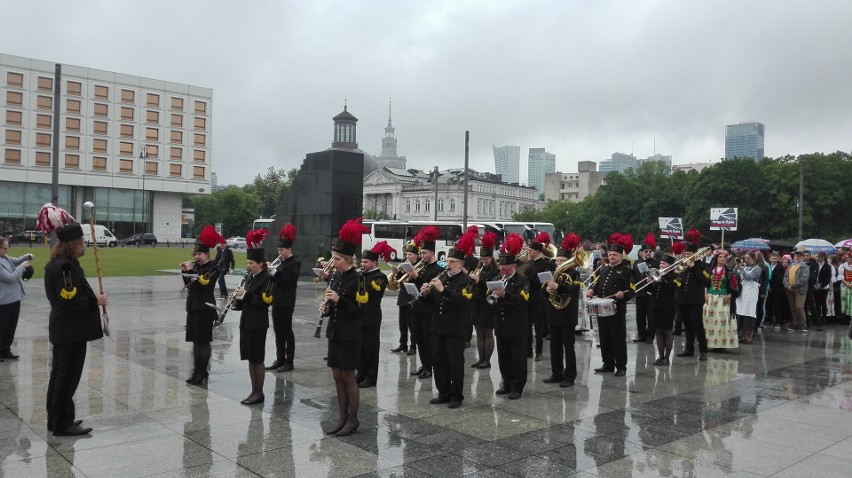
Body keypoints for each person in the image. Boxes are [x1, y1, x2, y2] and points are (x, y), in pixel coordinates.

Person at [40, 206, 107, 436]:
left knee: (61, 375)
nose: (84, 245)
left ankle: (57, 418)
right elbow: (69, 300)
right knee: (66, 376)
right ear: (72, 244)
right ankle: (61, 423)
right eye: (81, 241)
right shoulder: (64, 268)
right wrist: (96, 301)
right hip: (70, 330)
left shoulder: (63, 264)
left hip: (68, 330)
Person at [322, 218, 368, 436]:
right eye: (333, 258)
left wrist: (339, 300)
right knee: (336, 375)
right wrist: (327, 308)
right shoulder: (336, 277)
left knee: (348, 377)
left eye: (337, 259)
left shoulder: (359, 280)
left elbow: (360, 310)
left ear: (348, 259)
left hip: (350, 334)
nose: (334, 262)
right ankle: (341, 416)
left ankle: (353, 419)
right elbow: (333, 305)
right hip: (335, 331)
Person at [423, 237, 472, 408]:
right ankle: (443, 392)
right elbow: (433, 302)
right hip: (437, 327)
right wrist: (425, 294)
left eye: (452, 262)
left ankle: (456, 395)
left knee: (455, 363)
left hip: (455, 329)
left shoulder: (467, 281)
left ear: (460, 264)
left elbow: (461, 302)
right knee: (438, 361)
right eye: (447, 261)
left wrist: (442, 290)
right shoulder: (443, 277)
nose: (448, 264)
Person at [233, 230, 274, 405]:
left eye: (251, 263)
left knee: (257, 359)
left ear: (261, 264)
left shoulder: (268, 279)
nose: (248, 266)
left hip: (258, 323)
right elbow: (245, 301)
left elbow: (264, 303)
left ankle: (259, 392)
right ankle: (253, 390)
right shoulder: (249, 277)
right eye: (248, 262)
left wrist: (246, 294)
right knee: (250, 358)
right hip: (247, 321)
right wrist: (236, 301)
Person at [180, 225, 224, 385]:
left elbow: (203, 284)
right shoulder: (197, 267)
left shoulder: (212, 268)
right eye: (195, 254)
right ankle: (196, 371)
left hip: (205, 308)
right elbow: (190, 285)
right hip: (193, 306)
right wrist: (185, 272)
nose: (197, 256)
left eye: (199, 254)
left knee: (203, 341)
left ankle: (203, 371)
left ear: (207, 254)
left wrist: (191, 271)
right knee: (195, 341)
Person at [586, 233, 634, 376]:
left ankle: (621, 366)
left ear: (621, 256)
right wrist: (592, 290)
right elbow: (598, 284)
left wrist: (623, 295)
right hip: (601, 308)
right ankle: (607, 363)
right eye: (610, 254)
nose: (612, 257)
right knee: (604, 337)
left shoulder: (626, 271)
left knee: (618, 339)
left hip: (616, 309)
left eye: (614, 255)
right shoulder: (604, 268)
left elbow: (632, 290)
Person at [492, 233, 530, 400]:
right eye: (501, 267)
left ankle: (517, 387)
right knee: (504, 357)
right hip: (501, 325)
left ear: (513, 266)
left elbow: (521, 301)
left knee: (518, 359)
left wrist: (504, 295)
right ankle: (506, 383)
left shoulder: (523, 281)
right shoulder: (497, 279)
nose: (502, 270)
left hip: (517, 326)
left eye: (506, 268)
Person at [542, 233, 582, 387]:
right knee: (554, 346)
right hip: (554, 314)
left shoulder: (574, 273)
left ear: (569, 262)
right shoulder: (551, 274)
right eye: (557, 261)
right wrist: (548, 290)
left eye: (562, 261)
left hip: (567, 315)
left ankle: (569, 376)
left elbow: (574, 291)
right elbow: (542, 294)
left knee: (568, 346)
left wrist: (558, 287)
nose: (559, 263)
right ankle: (556, 373)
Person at [408, 226, 442, 380]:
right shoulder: (420, 267)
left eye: (424, 253)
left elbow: (429, 289)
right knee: (418, 338)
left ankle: (430, 367)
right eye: (420, 253)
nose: (421, 256)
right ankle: (424, 364)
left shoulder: (437, 269)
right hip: (416, 307)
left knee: (428, 340)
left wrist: (416, 278)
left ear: (432, 253)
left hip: (428, 310)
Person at [356, 241, 392, 388]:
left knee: (371, 348)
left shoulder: (380, 277)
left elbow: (371, 292)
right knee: (360, 347)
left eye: (365, 262)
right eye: (362, 261)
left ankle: (371, 377)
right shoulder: (361, 275)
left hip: (371, 316)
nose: (362, 264)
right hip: (359, 315)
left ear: (374, 262)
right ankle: (361, 373)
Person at [266, 224, 300, 373]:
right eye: (278, 250)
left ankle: (289, 361)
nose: (279, 253)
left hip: (287, 301)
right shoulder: (280, 263)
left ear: (288, 250)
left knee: (287, 331)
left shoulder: (295, 263)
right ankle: (279, 359)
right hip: (276, 300)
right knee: (278, 331)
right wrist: (269, 272)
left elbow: (289, 281)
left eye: (281, 250)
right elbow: (274, 281)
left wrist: (274, 272)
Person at [469, 231, 500, 369]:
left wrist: (479, 281)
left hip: (488, 305)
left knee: (487, 333)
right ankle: (480, 359)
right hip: (476, 304)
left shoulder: (495, 270)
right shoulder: (479, 268)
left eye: (486, 259)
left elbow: (491, 286)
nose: (483, 261)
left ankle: (486, 360)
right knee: (479, 332)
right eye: (482, 258)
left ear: (491, 258)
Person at [674, 239, 709, 360]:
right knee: (687, 326)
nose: (686, 256)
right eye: (685, 254)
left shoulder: (703, 266)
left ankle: (703, 350)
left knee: (698, 326)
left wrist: (693, 267)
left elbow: (703, 280)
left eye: (688, 254)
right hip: (683, 300)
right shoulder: (683, 266)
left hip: (695, 301)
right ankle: (689, 349)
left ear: (695, 254)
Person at [0, 236, 33, 361]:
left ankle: (5, 349)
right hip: (4, 300)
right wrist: (22, 267)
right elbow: (9, 278)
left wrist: (26, 257)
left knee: (11, 326)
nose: (7, 250)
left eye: (7, 248)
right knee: (2, 326)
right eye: (4, 248)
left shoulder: (5, 258)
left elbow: (16, 261)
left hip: (14, 298)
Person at [524, 232, 553, 361]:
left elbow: (542, 280)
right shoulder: (528, 263)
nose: (528, 252)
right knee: (527, 325)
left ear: (537, 251)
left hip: (537, 297)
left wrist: (529, 277)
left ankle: (539, 352)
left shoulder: (543, 263)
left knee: (538, 326)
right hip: (527, 297)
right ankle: (528, 350)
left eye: (530, 250)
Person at [704, 249, 739, 350]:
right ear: (716, 258)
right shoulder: (710, 270)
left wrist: (729, 296)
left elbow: (735, 287)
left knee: (721, 321)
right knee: (710, 320)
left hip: (722, 299)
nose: (722, 259)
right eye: (720, 257)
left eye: (724, 257)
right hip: (711, 297)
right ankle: (709, 343)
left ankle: (721, 344)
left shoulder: (729, 272)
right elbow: (706, 283)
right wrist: (705, 294)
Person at [388, 241, 419, 355]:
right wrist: (396, 273)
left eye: (410, 254)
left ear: (416, 255)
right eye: (406, 254)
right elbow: (397, 282)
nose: (408, 257)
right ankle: (403, 344)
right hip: (403, 297)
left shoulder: (419, 266)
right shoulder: (404, 264)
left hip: (412, 298)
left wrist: (413, 274)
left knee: (412, 324)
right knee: (402, 323)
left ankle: (413, 346)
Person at [650, 254, 678, 365]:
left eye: (664, 263)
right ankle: (660, 357)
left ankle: (667, 358)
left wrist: (664, 277)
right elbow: (650, 290)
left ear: (670, 266)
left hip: (668, 306)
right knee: (658, 331)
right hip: (655, 305)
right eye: (661, 263)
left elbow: (673, 287)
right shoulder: (656, 274)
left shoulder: (674, 275)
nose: (661, 265)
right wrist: (649, 280)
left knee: (667, 331)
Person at [632, 233, 659, 344]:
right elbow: (634, 277)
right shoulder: (637, 262)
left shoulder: (655, 263)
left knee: (651, 317)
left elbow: (658, 277)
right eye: (646, 251)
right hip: (640, 293)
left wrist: (652, 279)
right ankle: (641, 335)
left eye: (649, 251)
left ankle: (650, 336)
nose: (648, 253)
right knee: (640, 316)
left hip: (650, 293)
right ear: (641, 252)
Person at [735, 252, 761, 344]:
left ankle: (749, 336)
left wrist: (741, 269)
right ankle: (741, 334)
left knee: (749, 313)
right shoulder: (745, 267)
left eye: (748, 258)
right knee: (741, 313)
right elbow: (737, 276)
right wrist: (737, 267)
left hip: (751, 293)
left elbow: (749, 277)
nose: (746, 260)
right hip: (743, 292)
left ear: (754, 259)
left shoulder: (757, 268)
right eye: (745, 258)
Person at [784, 251, 810, 331]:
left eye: (799, 256)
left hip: (799, 290)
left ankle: (803, 325)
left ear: (802, 257)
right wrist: (787, 285)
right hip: (790, 290)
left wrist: (793, 286)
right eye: (796, 256)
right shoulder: (791, 265)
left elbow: (804, 279)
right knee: (793, 307)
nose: (797, 257)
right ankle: (795, 324)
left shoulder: (805, 267)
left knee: (799, 307)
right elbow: (785, 277)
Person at [814, 252, 832, 327]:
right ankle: (818, 317)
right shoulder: (816, 265)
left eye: (821, 257)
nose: (819, 258)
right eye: (818, 257)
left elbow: (828, 278)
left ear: (824, 257)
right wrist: (814, 285)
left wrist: (821, 285)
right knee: (817, 303)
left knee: (823, 302)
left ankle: (824, 317)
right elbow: (813, 275)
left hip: (824, 287)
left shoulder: (827, 266)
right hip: (815, 286)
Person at [838, 253, 852, 321]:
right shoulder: (843, 266)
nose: (850, 260)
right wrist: (847, 284)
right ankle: (845, 316)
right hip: (845, 284)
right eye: (849, 259)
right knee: (844, 299)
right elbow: (841, 277)